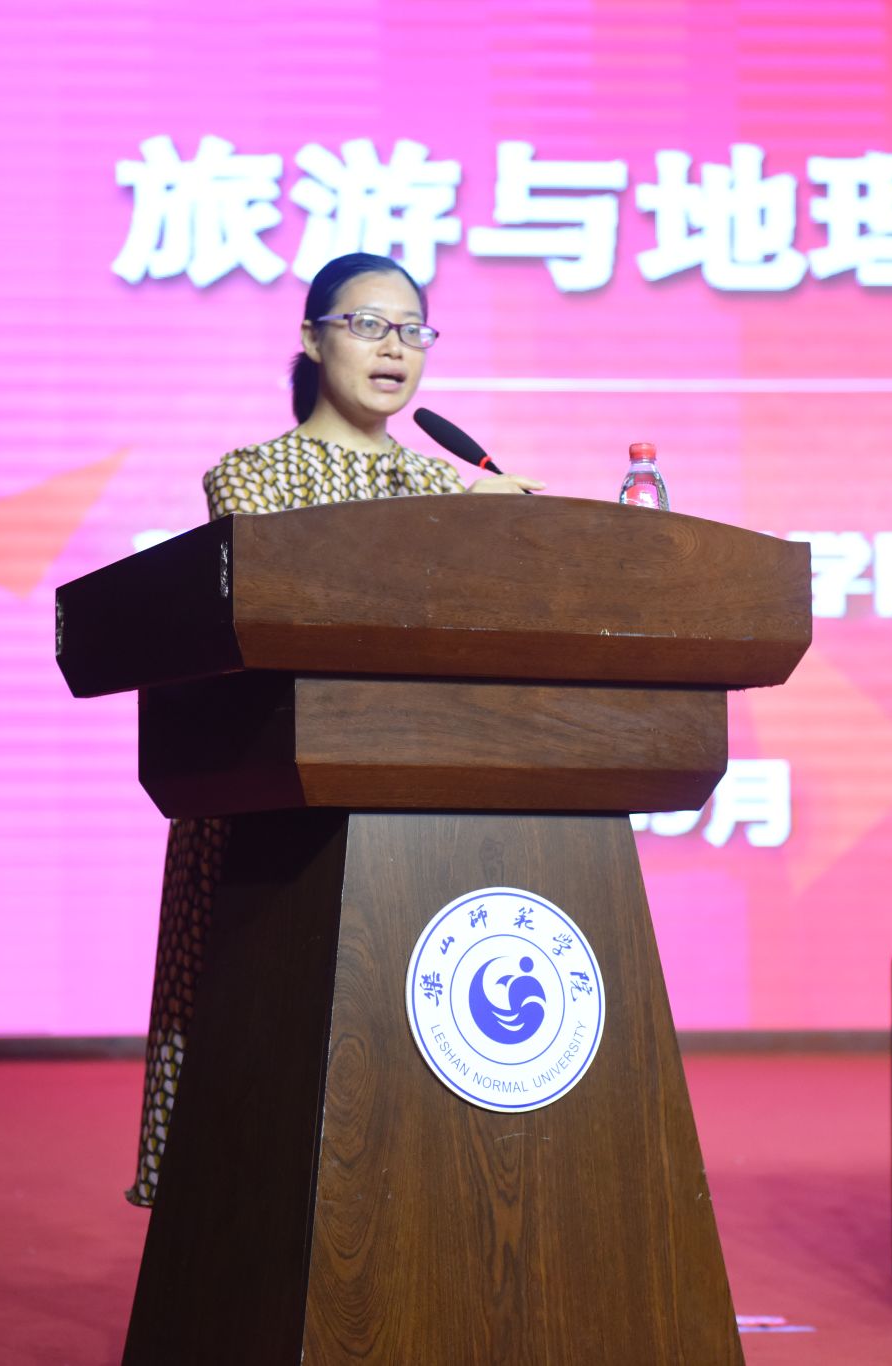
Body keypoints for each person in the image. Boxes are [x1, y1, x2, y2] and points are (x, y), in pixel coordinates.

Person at [126, 253, 542, 1206]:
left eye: (413, 331)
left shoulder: (446, 485)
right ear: (313, 341)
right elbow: (302, 594)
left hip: (410, 807)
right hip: (266, 807)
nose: (395, 348)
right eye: (367, 325)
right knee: (252, 1064)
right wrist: (453, 524)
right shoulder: (250, 475)